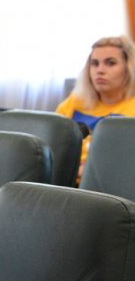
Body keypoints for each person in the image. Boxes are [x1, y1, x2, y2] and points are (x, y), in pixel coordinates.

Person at [56, 35, 135, 177]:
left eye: (110, 63)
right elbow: (53, 145)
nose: (100, 70)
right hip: (65, 179)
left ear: (129, 68)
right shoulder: (75, 101)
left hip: (110, 182)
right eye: (95, 63)